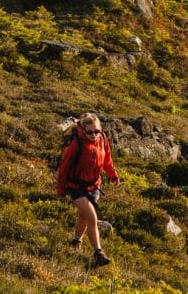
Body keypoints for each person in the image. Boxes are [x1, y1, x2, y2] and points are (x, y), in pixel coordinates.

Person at [56, 113, 120, 267]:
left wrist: (113, 175)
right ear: (83, 131)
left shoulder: (102, 139)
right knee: (92, 217)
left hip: (93, 185)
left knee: (83, 216)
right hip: (75, 185)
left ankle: (76, 241)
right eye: (90, 132)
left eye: (96, 131)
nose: (94, 135)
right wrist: (61, 189)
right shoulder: (76, 144)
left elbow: (107, 160)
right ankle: (98, 252)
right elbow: (64, 167)